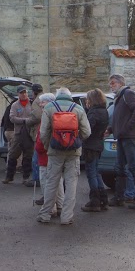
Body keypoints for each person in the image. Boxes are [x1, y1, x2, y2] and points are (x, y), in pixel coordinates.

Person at [37, 87, 90, 225]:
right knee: (71, 184)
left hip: (54, 151)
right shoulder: (78, 108)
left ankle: (45, 214)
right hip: (73, 152)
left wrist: (49, 145)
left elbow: (43, 132)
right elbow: (87, 132)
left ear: (57, 96)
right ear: (69, 96)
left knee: (51, 183)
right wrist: (76, 142)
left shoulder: (49, 107)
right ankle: (66, 217)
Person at [108, 74, 135, 210]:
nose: (111, 85)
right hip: (121, 136)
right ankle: (119, 197)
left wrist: (128, 127)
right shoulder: (119, 97)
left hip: (129, 137)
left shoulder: (128, 94)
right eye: (110, 83)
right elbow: (119, 118)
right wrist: (111, 129)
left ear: (120, 83)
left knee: (133, 166)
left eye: (113, 83)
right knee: (120, 167)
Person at [81, 88, 110, 212]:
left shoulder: (93, 113)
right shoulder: (104, 111)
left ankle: (95, 201)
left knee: (91, 173)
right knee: (96, 172)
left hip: (91, 146)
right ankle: (103, 199)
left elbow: (88, 130)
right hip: (98, 144)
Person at [32, 92, 62, 213]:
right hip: (57, 154)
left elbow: (42, 136)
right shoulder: (59, 115)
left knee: (46, 183)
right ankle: (60, 206)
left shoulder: (47, 116)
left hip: (45, 155)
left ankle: (50, 209)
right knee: (58, 182)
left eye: (43, 102)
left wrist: (38, 149)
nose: (40, 104)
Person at [2, 86, 34, 185]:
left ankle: (26, 177)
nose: (24, 94)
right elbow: (12, 118)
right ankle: (9, 176)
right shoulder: (15, 105)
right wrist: (25, 120)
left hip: (29, 134)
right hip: (18, 133)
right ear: (18, 94)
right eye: (21, 93)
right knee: (13, 155)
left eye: (25, 92)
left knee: (28, 156)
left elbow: (35, 116)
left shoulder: (32, 104)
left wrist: (28, 121)